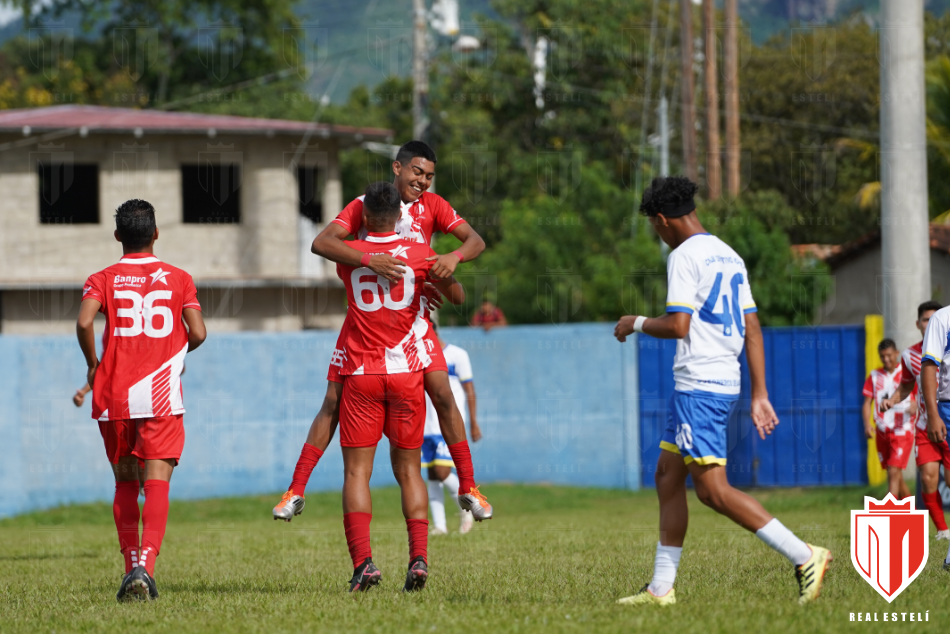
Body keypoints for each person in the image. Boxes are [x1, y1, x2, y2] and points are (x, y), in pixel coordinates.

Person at [612, 176, 831, 607]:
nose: (658, 235)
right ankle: (661, 588)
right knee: (667, 476)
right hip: (715, 384)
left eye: (655, 228)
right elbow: (751, 327)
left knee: (713, 491)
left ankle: (805, 555)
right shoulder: (728, 255)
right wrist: (759, 393)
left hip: (700, 387)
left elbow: (678, 326)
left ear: (662, 220)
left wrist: (634, 322)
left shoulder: (684, 256)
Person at [273, 140, 492, 524]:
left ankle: (468, 486)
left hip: (414, 319)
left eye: (429, 176)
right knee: (332, 402)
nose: (422, 181)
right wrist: (369, 259)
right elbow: (322, 242)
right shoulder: (366, 204)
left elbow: (475, 241)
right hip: (367, 324)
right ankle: (296, 490)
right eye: (416, 172)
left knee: (442, 391)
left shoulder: (434, 207)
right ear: (397, 168)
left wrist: (450, 261)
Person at [333, 181, 465, 592]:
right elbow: (457, 296)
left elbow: (326, 244)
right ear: (402, 217)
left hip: (363, 373)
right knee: (410, 471)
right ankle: (419, 558)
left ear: (366, 217)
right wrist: (434, 278)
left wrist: (366, 255)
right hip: (407, 373)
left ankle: (364, 564)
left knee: (357, 471)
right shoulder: (423, 254)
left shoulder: (351, 255)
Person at [76, 199, 206, 602]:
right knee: (157, 483)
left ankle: (129, 561)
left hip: (113, 394)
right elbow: (198, 333)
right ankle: (145, 568)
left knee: (125, 483)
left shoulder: (102, 278)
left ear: (118, 236)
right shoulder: (179, 278)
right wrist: (175, 355)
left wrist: (94, 365)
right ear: (155, 233)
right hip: (161, 395)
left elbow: (83, 322)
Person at [882, 301, 948, 538]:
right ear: (918, 324)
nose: (929, 324)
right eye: (925, 320)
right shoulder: (910, 355)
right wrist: (892, 399)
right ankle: (943, 531)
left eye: (933, 319)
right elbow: (907, 385)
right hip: (924, 427)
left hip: (947, 423)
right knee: (928, 480)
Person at [422, 322, 481, 535]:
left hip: (446, 423)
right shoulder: (418, 356)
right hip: (424, 425)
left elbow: (469, 389)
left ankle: (468, 507)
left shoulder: (457, 355)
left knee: (442, 470)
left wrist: (473, 422)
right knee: (432, 474)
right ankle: (440, 525)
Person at [916, 304, 950, 569]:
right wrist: (933, 413)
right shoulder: (943, 319)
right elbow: (928, 368)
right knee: (939, 480)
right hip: (946, 407)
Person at [863, 339, 916, 500]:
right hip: (882, 431)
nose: (886, 359)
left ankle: (888, 512)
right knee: (894, 474)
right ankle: (912, 511)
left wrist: (916, 406)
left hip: (903, 429)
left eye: (889, 355)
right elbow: (867, 403)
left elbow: (922, 395)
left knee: (894, 471)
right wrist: (867, 424)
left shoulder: (907, 374)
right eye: (882, 356)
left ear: (896, 353)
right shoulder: (874, 376)